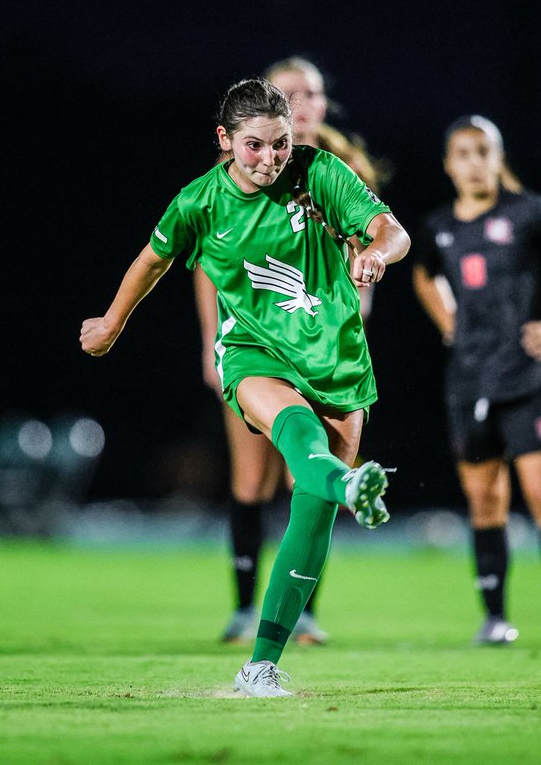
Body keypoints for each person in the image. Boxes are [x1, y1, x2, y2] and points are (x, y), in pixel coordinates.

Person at [81, 77, 410, 696]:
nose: (269, 159)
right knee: (302, 446)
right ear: (225, 139)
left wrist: (376, 254)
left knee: (312, 508)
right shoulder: (200, 202)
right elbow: (154, 258)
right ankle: (349, 486)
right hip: (254, 354)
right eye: (255, 145)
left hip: (337, 358)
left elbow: (395, 232)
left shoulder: (320, 173)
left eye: (280, 144)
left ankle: (261, 664)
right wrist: (112, 322)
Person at [194, 57, 388, 646]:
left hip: (324, 348)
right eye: (291, 92)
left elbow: (373, 240)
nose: (303, 102)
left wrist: (356, 308)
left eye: (313, 93)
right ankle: (242, 606)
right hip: (255, 344)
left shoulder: (341, 169)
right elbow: (206, 266)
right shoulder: (234, 173)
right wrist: (211, 342)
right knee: (250, 479)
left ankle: (302, 612)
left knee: (311, 481)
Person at [412, 115, 541, 648]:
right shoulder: (438, 226)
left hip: (529, 377)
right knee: (484, 503)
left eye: (485, 151)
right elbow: (422, 273)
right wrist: (447, 321)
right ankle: (495, 618)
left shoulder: (530, 212)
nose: (475, 162)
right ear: (449, 165)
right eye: (464, 153)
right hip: (469, 382)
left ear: (499, 159)